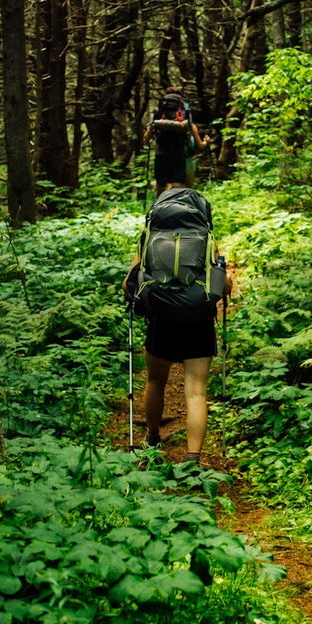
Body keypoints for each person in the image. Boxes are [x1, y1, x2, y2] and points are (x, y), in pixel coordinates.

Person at [124, 184, 231, 464]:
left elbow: (129, 283)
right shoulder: (204, 236)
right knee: (196, 391)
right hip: (198, 320)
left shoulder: (150, 236)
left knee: (156, 380)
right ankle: (193, 459)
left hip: (162, 318)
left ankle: (152, 438)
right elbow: (224, 283)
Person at [144, 86, 207, 194]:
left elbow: (146, 138)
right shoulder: (185, 111)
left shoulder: (159, 111)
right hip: (179, 152)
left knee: (161, 186)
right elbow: (192, 131)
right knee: (178, 186)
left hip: (161, 153)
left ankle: (159, 208)